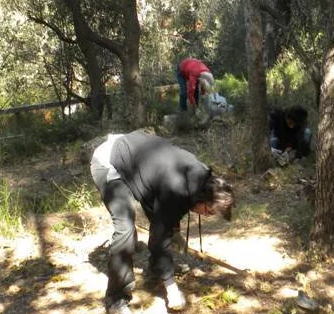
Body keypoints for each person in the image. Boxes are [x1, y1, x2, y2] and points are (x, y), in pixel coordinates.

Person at [90, 131, 235, 314]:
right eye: (209, 211)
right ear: (203, 199)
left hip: (139, 161)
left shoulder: (199, 177)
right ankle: (116, 299)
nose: (207, 216)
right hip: (110, 162)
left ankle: (156, 270)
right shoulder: (177, 189)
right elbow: (159, 237)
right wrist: (171, 286)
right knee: (125, 230)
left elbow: (167, 218)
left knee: (168, 224)